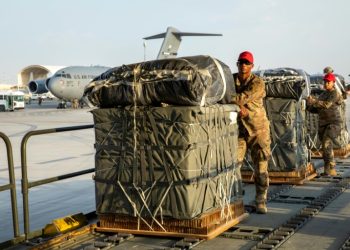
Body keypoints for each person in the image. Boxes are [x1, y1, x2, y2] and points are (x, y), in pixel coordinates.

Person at [231, 51, 271, 214]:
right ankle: (235, 199)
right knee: (233, 165)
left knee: (260, 167)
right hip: (239, 130)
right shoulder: (232, 79)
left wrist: (235, 103)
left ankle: (260, 200)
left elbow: (241, 98)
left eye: (246, 63)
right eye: (240, 62)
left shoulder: (257, 83)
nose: (243, 65)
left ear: (252, 66)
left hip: (257, 130)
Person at [307, 73, 343, 176]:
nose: (326, 83)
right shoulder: (323, 94)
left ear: (333, 83)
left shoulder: (334, 94)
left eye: (328, 82)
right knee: (325, 147)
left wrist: (313, 101)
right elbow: (317, 109)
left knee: (327, 143)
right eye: (325, 82)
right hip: (323, 124)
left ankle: (331, 168)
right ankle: (328, 170)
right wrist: (308, 106)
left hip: (334, 123)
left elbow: (326, 105)